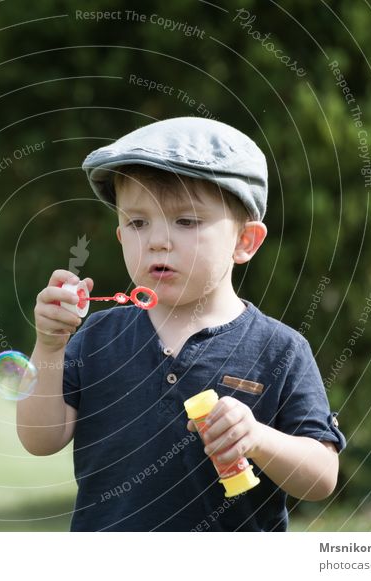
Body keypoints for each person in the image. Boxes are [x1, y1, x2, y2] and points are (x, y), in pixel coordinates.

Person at [17, 117, 345, 531]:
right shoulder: (98, 337)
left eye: (186, 221)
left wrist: (258, 438)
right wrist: (49, 345)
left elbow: (321, 477)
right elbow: (40, 440)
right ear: (121, 235)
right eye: (138, 222)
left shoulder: (279, 349)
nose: (157, 240)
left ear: (245, 242)